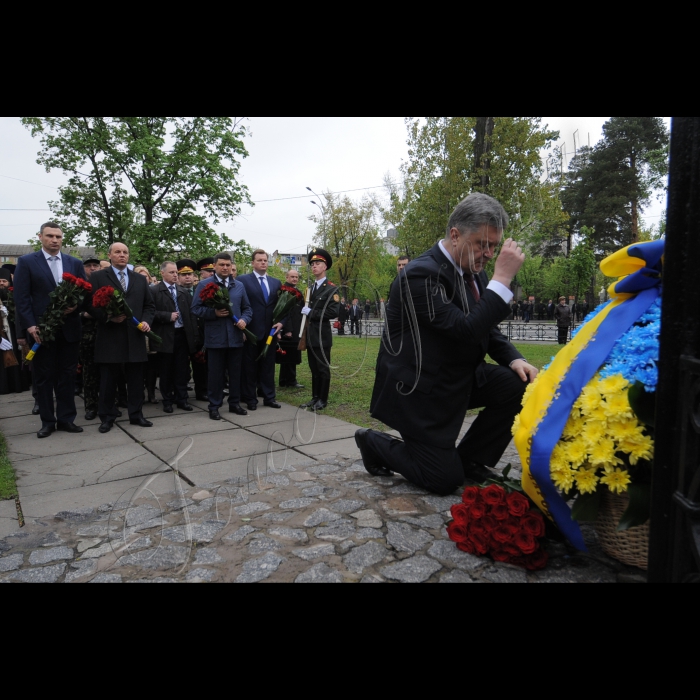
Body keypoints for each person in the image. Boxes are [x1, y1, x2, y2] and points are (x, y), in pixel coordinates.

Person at [357, 193, 538, 496]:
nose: (489, 254)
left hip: (456, 378)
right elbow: (464, 329)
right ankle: (374, 443)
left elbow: (485, 328)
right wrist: (503, 279)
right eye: (483, 244)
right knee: (442, 480)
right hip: (421, 392)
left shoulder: (472, 272)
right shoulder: (420, 275)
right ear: (455, 235)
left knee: (518, 383)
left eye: (494, 245)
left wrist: (513, 358)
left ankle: (471, 459)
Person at [14, 223, 88, 439]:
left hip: (70, 330)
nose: (54, 240)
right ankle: (47, 421)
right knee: (44, 377)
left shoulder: (73, 263)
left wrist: (76, 306)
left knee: (67, 376)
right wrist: (29, 325)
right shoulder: (27, 262)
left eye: (58, 236)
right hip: (41, 330)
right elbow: (22, 298)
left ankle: (66, 419)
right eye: (50, 236)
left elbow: (84, 293)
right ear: (40, 237)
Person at [89, 242, 156, 433]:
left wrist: (146, 321)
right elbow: (91, 305)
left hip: (134, 337)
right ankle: (107, 417)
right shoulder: (98, 277)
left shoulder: (139, 279)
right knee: (109, 380)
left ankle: (136, 415)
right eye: (117, 252)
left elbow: (149, 306)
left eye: (125, 252)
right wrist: (108, 317)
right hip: (110, 337)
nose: (122, 255)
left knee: (136, 380)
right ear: (110, 255)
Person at [192, 253, 252, 420]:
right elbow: (195, 309)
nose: (225, 267)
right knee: (215, 375)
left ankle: (234, 403)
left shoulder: (238, 285)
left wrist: (244, 320)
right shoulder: (205, 285)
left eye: (228, 265)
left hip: (235, 337)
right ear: (215, 266)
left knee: (235, 373)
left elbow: (248, 308)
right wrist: (214, 313)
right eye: (222, 265)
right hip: (215, 337)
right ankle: (214, 405)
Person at [150, 262, 199, 413]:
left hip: (182, 335)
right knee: (166, 370)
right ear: (162, 273)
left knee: (182, 369)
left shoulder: (182, 291)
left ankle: (182, 399)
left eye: (176, 272)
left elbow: (191, 316)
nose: (175, 275)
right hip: (165, 335)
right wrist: (166, 316)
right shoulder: (155, 291)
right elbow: (150, 312)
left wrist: (194, 338)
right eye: (171, 272)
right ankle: (167, 400)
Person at [238, 250, 284, 411]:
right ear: (252, 263)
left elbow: (282, 307)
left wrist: (281, 323)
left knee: (268, 366)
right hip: (250, 331)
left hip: (270, 332)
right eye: (259, 260)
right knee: (249, 366)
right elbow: (239, 305)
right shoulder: (243, 280)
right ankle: (250, 398)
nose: (263, 263)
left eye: (265, 260)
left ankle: (269, 397)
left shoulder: (275, 282)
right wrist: (241, 329)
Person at [300, 248, 340, 411]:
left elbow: (333, 312)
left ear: (325, 267)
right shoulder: (310, 288)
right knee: (314, 368)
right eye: (312, 264)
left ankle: (322, 399)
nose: (314, 266)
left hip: (322, 336)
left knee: (323, 369)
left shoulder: (331, 289)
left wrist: (313, 313)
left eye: (317, 264)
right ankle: (315, 397)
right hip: (310, 334)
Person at [79, 255, 102, 421]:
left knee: (108, 371)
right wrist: (83, 314)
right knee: (89, 373)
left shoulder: (104, 284)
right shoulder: (78, 288)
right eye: (89, 266)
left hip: (105, 332)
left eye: (96, 265)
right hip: (87, 334)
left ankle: (110, 403)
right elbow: (70, 312)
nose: (92, 268)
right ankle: (91, 406)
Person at [278, 269, 305, 389]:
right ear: (287, 277)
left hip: (297, 327)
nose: (294, 279)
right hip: (289, 329)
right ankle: (288, 380)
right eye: (292, 277)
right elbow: (284, 312)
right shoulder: (284, 291)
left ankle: (286, 379)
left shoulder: (297, 291)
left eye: (296, 277)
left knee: (292, 354)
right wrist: (287, 329)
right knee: (288, 355)